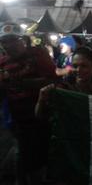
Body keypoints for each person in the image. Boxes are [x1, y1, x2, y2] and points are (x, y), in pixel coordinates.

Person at [0, 22, 57, 185]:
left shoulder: (38, 53)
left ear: (23, 39)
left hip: (41, 118)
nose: (8, 45)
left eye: (12, 40)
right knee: (22, 161)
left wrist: (16, 82)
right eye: (4, 41)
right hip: (17, 121)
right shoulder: (2, 62)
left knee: (38, 162)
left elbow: (51, 80)